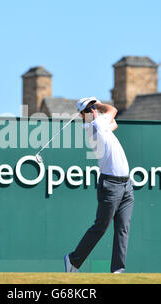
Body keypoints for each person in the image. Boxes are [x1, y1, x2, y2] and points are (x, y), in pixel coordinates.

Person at [64, 97, 134, 273]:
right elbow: (113, 110)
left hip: (126, 184)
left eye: (93, 108)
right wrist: (100, 105)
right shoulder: (94, 126)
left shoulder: (100, 126)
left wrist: (96, 108)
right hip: (111, 185)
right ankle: (73, 260)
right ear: (82, 115)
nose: (93, 111)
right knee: (101, 227)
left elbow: (114, 124)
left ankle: (118, 270)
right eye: (88, 109)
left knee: (123, 228)